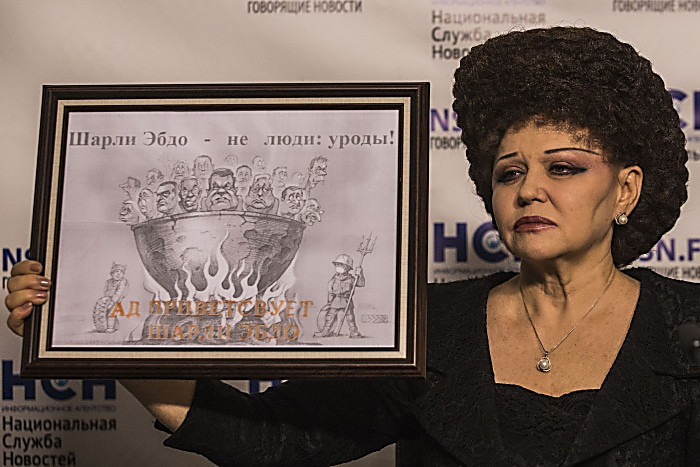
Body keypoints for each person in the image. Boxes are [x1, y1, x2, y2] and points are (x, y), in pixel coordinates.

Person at [5, 27, 699, 466]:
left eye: (564, 167)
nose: (529, 190)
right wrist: (82, 332)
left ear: (627, 189)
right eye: (509, 172)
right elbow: (271, 439)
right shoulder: (427, 324)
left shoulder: (690, 329)